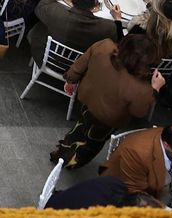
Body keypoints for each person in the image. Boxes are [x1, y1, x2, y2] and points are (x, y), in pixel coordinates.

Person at [51, 34, 165, 168]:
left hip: (86, 99)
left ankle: (62, 151)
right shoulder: (142, 89)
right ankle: (73, 162)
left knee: (79, 127)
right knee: (92, 143)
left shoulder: (104, 46)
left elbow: (81, 62)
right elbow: (139, 112)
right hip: (106, 121)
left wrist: (71, 79)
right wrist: (155, 90)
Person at [101, 125, 172, 208]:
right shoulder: (136, 153)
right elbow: (135, 192)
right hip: (138, 196)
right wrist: (167, 212)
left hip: (169, 195)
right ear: (166, 145)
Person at [28, 0, 119, 56]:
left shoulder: (55, 12)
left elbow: (39, 8)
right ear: (95, 4)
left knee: (38, 28)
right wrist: (118, 19)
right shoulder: (108, 28)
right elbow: (119, 41)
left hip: (44, 56)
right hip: (79, 67)